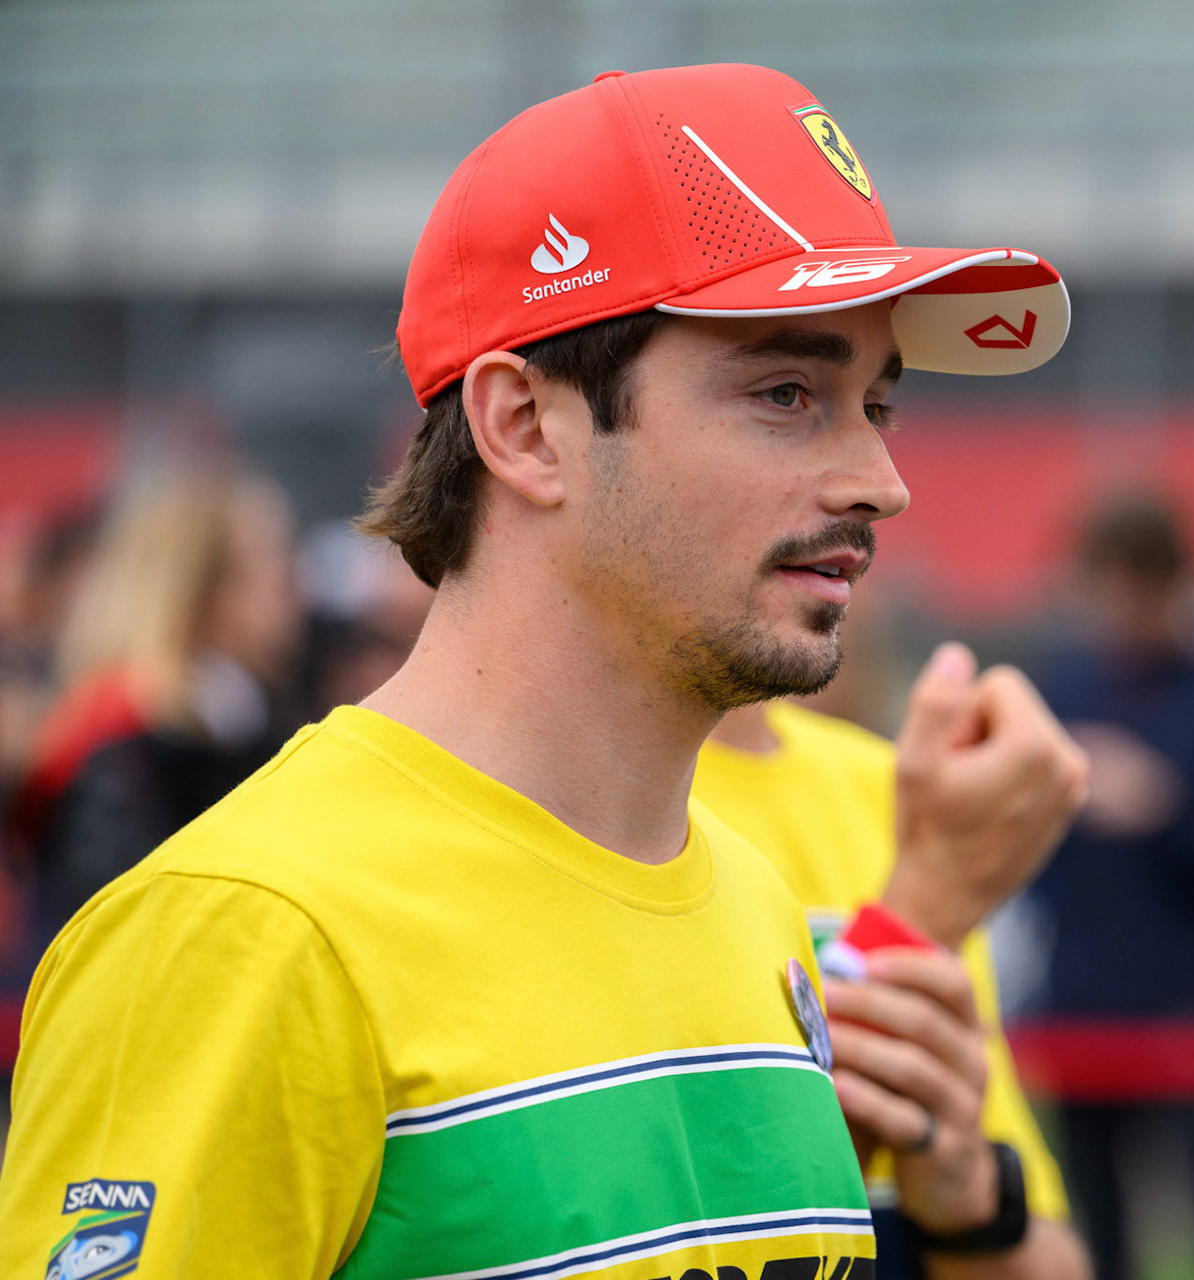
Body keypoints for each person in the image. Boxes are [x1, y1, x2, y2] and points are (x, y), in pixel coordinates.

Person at [0, 63, 1073, 1279]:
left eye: (878, 405)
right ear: (521, 426)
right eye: (787, 393)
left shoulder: (760, 903)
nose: (882, 479)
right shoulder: (245, 934)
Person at [696, 642, 1090, 1280]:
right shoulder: (510, 804)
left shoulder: (892, 792)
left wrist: (971, 1207)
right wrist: (921, 910)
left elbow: (1049, 1257)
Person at [1027, 492, 1194, 1280]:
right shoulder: (1067, 687)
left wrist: (1166, 802)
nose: (1113, 611)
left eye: (1130, 589)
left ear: (1172, 583)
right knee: (1094, 1225)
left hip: (1190, 999)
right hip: (1081, 997)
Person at [12, 471, 302, 943]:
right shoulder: (123, 728)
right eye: (269, 564)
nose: (291, 585)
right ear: (205, 588)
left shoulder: (241, 715)